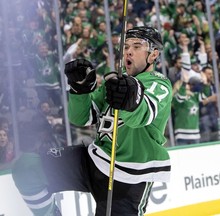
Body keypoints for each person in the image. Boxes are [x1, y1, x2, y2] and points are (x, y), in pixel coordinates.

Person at [12, 26, 172, 216]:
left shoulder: (159, 83)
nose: (128, 50)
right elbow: (81, 117)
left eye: (137, 46)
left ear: (153, 55)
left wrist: (130, 100)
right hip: (94, 160)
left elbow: (141, 115)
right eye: (126, 46)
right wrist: (81, 89)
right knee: (27, 168)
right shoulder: (115, 83)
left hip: (129, 179)